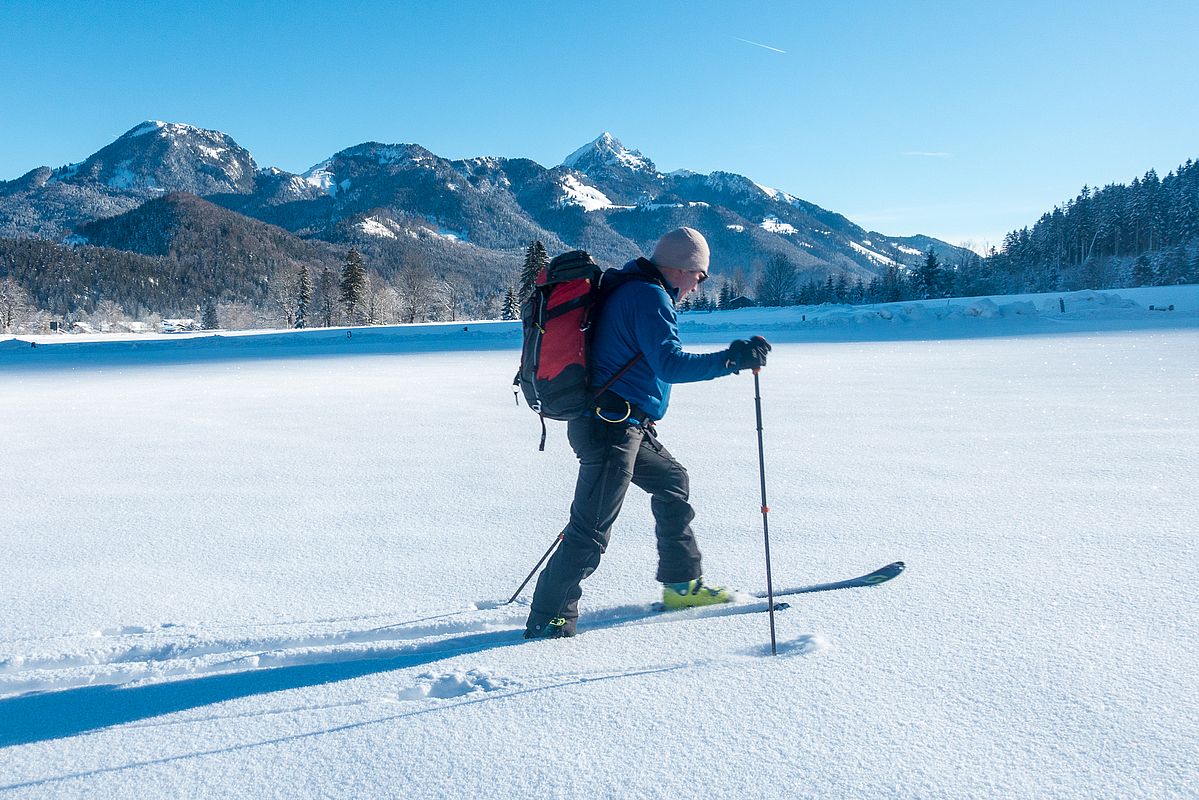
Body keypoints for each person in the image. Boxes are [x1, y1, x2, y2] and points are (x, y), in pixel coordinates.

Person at [524, 227, 771, 639]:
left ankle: (681, 587)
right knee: (590, 530)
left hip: (624, 425)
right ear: (682, 266)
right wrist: (731, 359)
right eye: (700, 275)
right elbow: (669, 365)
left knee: (672, 480)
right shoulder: (647, 296)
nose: (699, 284)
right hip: (610, 429)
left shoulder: (633, 288)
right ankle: (550, 618)